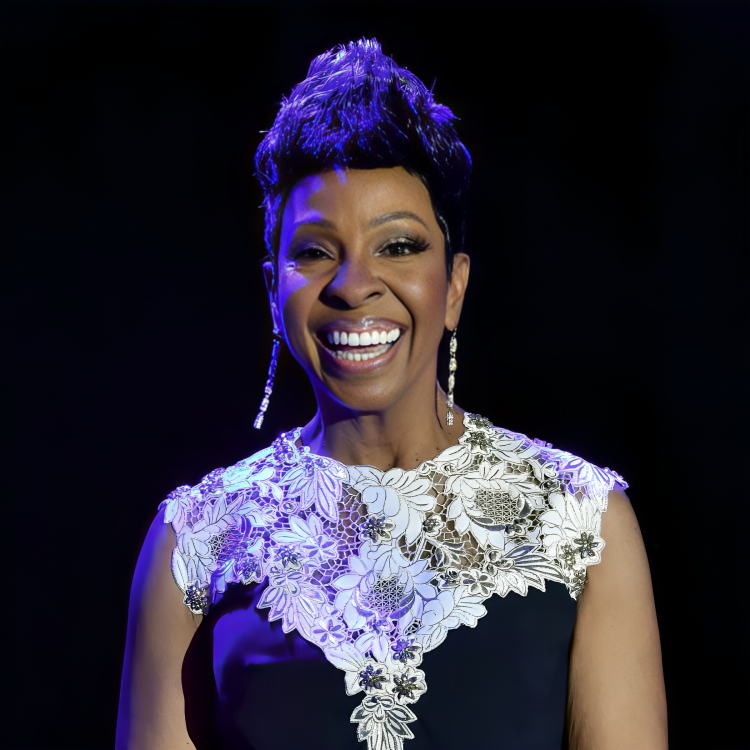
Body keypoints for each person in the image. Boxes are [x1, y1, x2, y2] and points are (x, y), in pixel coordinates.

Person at [116, 39, 667, 750]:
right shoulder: (197, 541)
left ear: (455, 287)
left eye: (398, 246)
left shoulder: (583, 521)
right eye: (315, 251)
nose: (353, 285)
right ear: (273, 290)